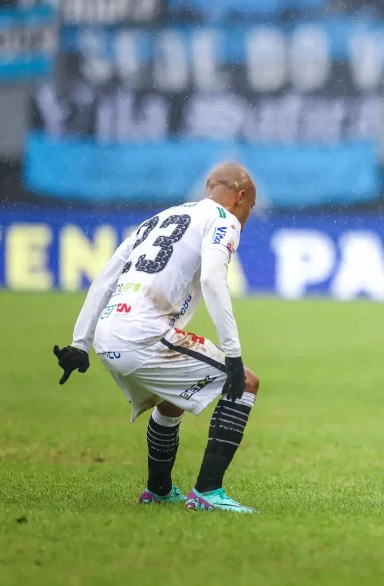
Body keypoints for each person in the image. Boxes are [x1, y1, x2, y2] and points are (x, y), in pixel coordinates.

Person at [51, 163, 261, 513]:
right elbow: (212, 280)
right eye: (249, 208)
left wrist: (79, 343)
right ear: (240, 198)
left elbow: (104, 280)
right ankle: (208, 493)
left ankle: (159, 490)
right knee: (246, 384)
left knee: (172, 398)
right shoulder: (224, 219)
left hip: (108, 336)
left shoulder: (159, 219)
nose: (247, 216)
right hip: (142, 335)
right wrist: (233, 354)